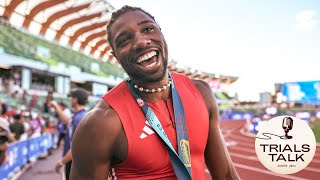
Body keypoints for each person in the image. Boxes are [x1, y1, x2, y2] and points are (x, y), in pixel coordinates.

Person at [71, 6, 239, 180]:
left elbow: (226, 176)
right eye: (124, 40)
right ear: (116, 56)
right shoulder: (102, 123)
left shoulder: (201, 94)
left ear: (161, 32)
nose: (141, 42)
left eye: (148, 29)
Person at [49, 88, 88, 180]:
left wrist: (61, 162)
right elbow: (68, 121)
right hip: (76, 160)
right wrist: (56, 107)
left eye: (72, 98)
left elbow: (77, 147)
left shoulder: (79, 118)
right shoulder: (81, 115)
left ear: (75, 99)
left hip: (74, 161)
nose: (70, 100)